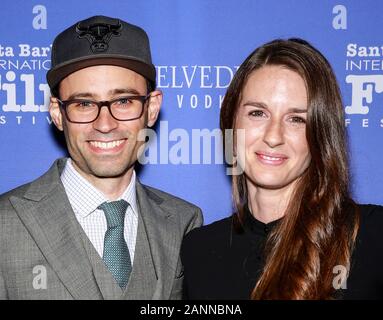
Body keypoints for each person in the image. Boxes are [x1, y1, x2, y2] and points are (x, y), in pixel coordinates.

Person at [0, 15, 202, 300]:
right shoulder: (4, 224)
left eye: (123, 101)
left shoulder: (184, 222)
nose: (105, 124)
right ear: (57, 113)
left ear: (152, 108)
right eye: (84, 104)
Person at [181, 38, 383, 300]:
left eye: (296, 119)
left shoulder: (372, 237)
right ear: (231, 122)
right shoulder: (200, 250)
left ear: (321, 134)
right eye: (257, 113)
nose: (273, 136)